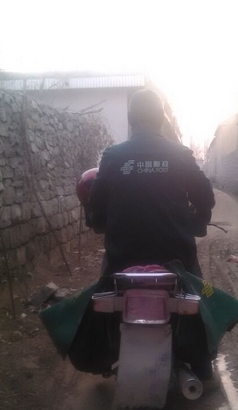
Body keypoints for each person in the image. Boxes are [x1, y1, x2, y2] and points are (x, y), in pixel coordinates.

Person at [88, 89, 215, 277]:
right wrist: (198, 218)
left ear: (130, 118)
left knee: (101, 291)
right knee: (202, 291)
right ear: (162, 118)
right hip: (179, 261)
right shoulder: (180, 154)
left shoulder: (112, 156)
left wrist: (99, 220)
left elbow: (95, 206)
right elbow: (206, 199)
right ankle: (204, 294)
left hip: (121, 262)